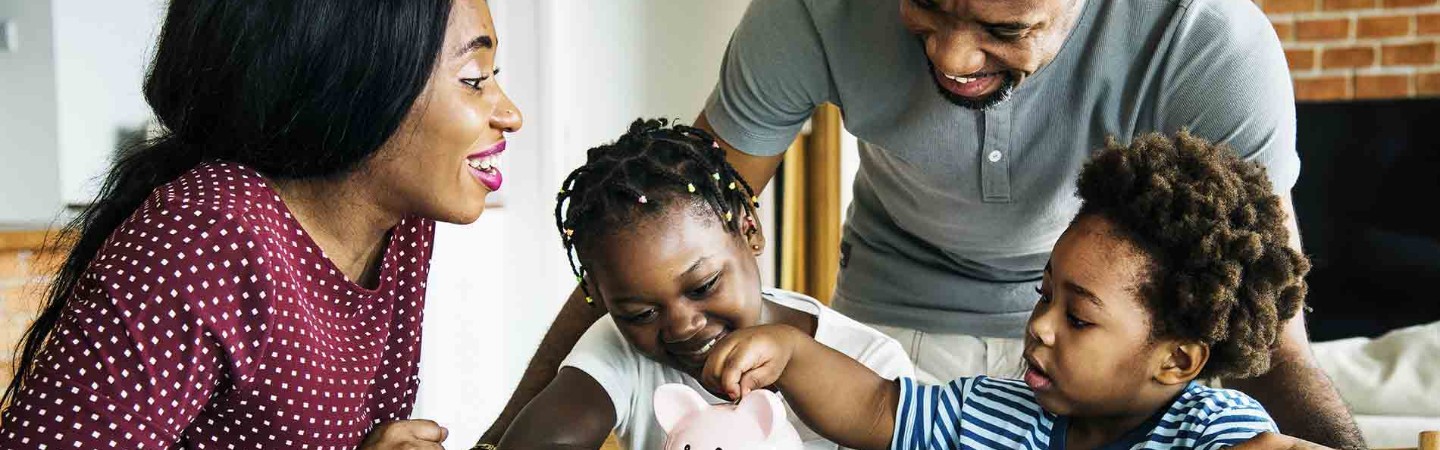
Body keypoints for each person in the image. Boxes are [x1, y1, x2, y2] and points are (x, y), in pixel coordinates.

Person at [479, 0, 1364, 448]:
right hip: (886, 332)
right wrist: (498, 431)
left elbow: (1271, 336)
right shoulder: (810, 11)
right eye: (928, 6)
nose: (950, 54)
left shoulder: (1207, 40)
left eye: (1002, 25)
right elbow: (661, 228)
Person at [0, 0, 521, 448]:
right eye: (473, 80)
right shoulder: (206, 236)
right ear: (354, 84)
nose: (511, 115)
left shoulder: (400, 227)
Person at [702, 132, 1315, 450]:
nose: (1040, 326)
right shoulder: (1001, 414)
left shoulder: (1210, 427)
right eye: (1044, 295)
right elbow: (878, 410)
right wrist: (790, 353)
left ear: (1176, 359)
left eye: (1078, 318)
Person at [495, 119, 912, 450]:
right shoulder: (619, 345)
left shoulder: (869, 360)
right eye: (641, 313)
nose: (681, 326)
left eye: (703, 286)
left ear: (749, 229)